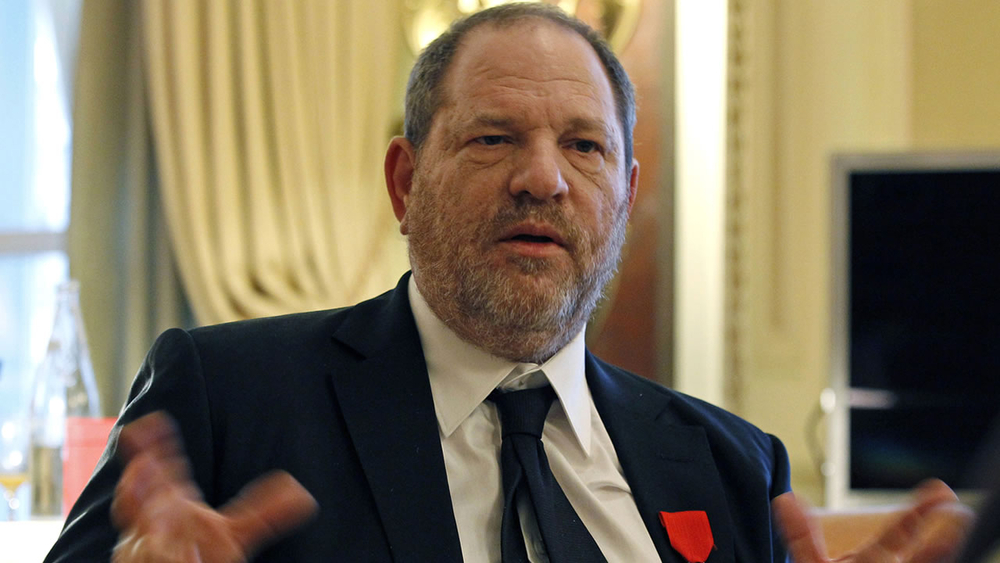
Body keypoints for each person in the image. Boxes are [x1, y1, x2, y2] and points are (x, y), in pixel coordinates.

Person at [44, 4, 971, 562]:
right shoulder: (229, 398)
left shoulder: (732, 466)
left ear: (625, 196)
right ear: (405, 183)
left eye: (584, 146)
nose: (543, 178)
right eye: (493, 138)